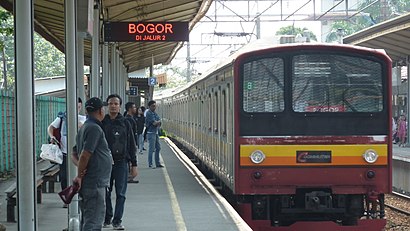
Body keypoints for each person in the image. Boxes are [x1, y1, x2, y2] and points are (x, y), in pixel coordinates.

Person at [72, 97, 112, 231]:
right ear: (101, 110)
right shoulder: (94, 128)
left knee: (88, 218)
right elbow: (85, 154)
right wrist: (79, 175)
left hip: (92, 181)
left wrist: (81, 171)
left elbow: (74, 154)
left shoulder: (84, 127)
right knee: (94, 222)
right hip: (95, 182)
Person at [102, 94, 138, 230]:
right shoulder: (102, 123)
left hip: (121, 162)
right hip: (105, 163)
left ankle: (117, 221)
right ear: (107, 105)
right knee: (106, 191)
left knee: (121, 193)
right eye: (110, 103)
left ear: (120, 106)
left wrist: (134, 165)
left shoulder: (125, 123)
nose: (113, 106)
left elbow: (131, 145)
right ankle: (107, 218)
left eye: (116, 104)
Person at [47, 97, 86, 207]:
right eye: (75, 107)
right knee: (64, 177)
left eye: (79, 107)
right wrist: (52, 136)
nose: (77, 110)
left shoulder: (83, 119)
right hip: (64, 153)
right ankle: (67, 198)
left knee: (79, 176)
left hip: (79, 154)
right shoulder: (62, 118)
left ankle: (79, 197)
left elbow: (86, 129)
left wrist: (78, 124)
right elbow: (51, 127)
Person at [145, 100, 163, 169]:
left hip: (155, 133)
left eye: (155, 106)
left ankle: (157, 163)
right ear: (149, 106)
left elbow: (158, 122)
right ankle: (150, 164)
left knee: (158, 148)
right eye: (153, 106)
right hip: (151, 133)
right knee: (151, 149)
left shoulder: (154, 113)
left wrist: (158, 122)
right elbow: (155, 123)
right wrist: (158, 122)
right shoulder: (149, 113)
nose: (154, 107)